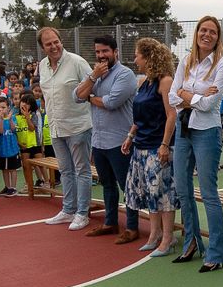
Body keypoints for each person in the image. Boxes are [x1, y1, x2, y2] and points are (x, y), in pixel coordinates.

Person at [169, 16, 223, 271]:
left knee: (208, 193)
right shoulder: (186, 61)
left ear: (218, 37)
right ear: (196, 33)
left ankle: (215, 253)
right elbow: (172, 97)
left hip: (207, 133)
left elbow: (209, 105)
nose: (207, 35)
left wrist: (185, 94)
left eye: (212, 32)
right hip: (183, 130)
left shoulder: (222, 65)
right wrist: (191, 95)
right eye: (203, 30)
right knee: (183, 190)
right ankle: (191, 243)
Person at [76, 34, 141, 242]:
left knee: (126, 185)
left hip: (120, 141)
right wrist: (92, 79)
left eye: (105, 51)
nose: (101, 55)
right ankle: (110, 222)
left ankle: (132, 227)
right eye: (97, 52)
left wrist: (90, 97)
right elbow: (76, 96)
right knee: (107, 185)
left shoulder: (125, 74)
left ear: (115, 52)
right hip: (99, 141)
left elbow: (112, 102)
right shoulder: (95, 74)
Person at [36, 27, 95, 230]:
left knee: (82, 170)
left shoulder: (77, 62)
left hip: (78, 126)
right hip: (55, 126)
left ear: (61, 40)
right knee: (65, 171)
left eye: (56, 42)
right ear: (42, 47)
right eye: (48, 44)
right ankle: (68, 209)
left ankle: (82, 213)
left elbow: (94, 86)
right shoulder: (42, 65)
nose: (54, 47)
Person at [126, 37, 178, 257]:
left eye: (138, 54)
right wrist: (131, 135)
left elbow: (171, 114)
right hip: (141, 147)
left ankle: (168, 238)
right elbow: (139, 116)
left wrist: (165, 144)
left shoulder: (165, 81)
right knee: (149, 193)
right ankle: (154, 234)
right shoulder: (144, 82)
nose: (135, 59)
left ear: (148, 57)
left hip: (158, 147)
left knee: (163, 194)